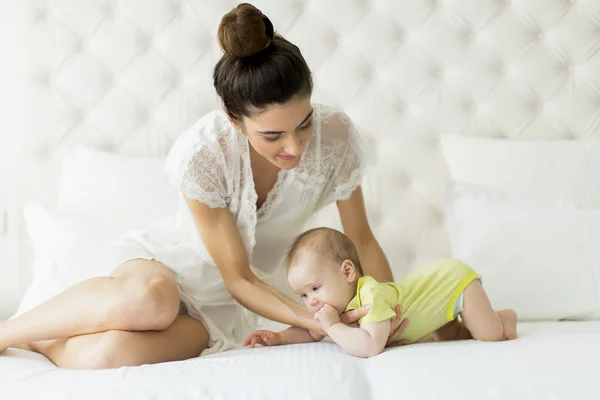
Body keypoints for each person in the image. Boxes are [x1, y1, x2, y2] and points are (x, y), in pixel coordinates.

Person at [0, 3, 416, 369]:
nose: (294, 146)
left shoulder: (337, 137)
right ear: (236, 120)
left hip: (225, 311)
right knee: (154, 301)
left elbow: (360, 242)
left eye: (304, 124)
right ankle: (7, 332)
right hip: (168, 270)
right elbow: (238, 277)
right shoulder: (205, 154)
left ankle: (40, 340)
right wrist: (316, 321)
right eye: (273, 136)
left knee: (105, 357)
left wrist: (392, 311)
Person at [245, 227, 518, 358]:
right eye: (303, 295)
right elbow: (313, 330)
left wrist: (332, 325)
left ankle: (504, 317)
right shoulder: (334, 309)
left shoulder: (371, 296)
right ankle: (466, 321)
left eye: (315, 288)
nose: (311, 300)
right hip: (436, 305)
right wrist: (278, 337)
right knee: (451, 334)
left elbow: (370, 346)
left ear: (348, 272)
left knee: (490, 335)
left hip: (453, 281)